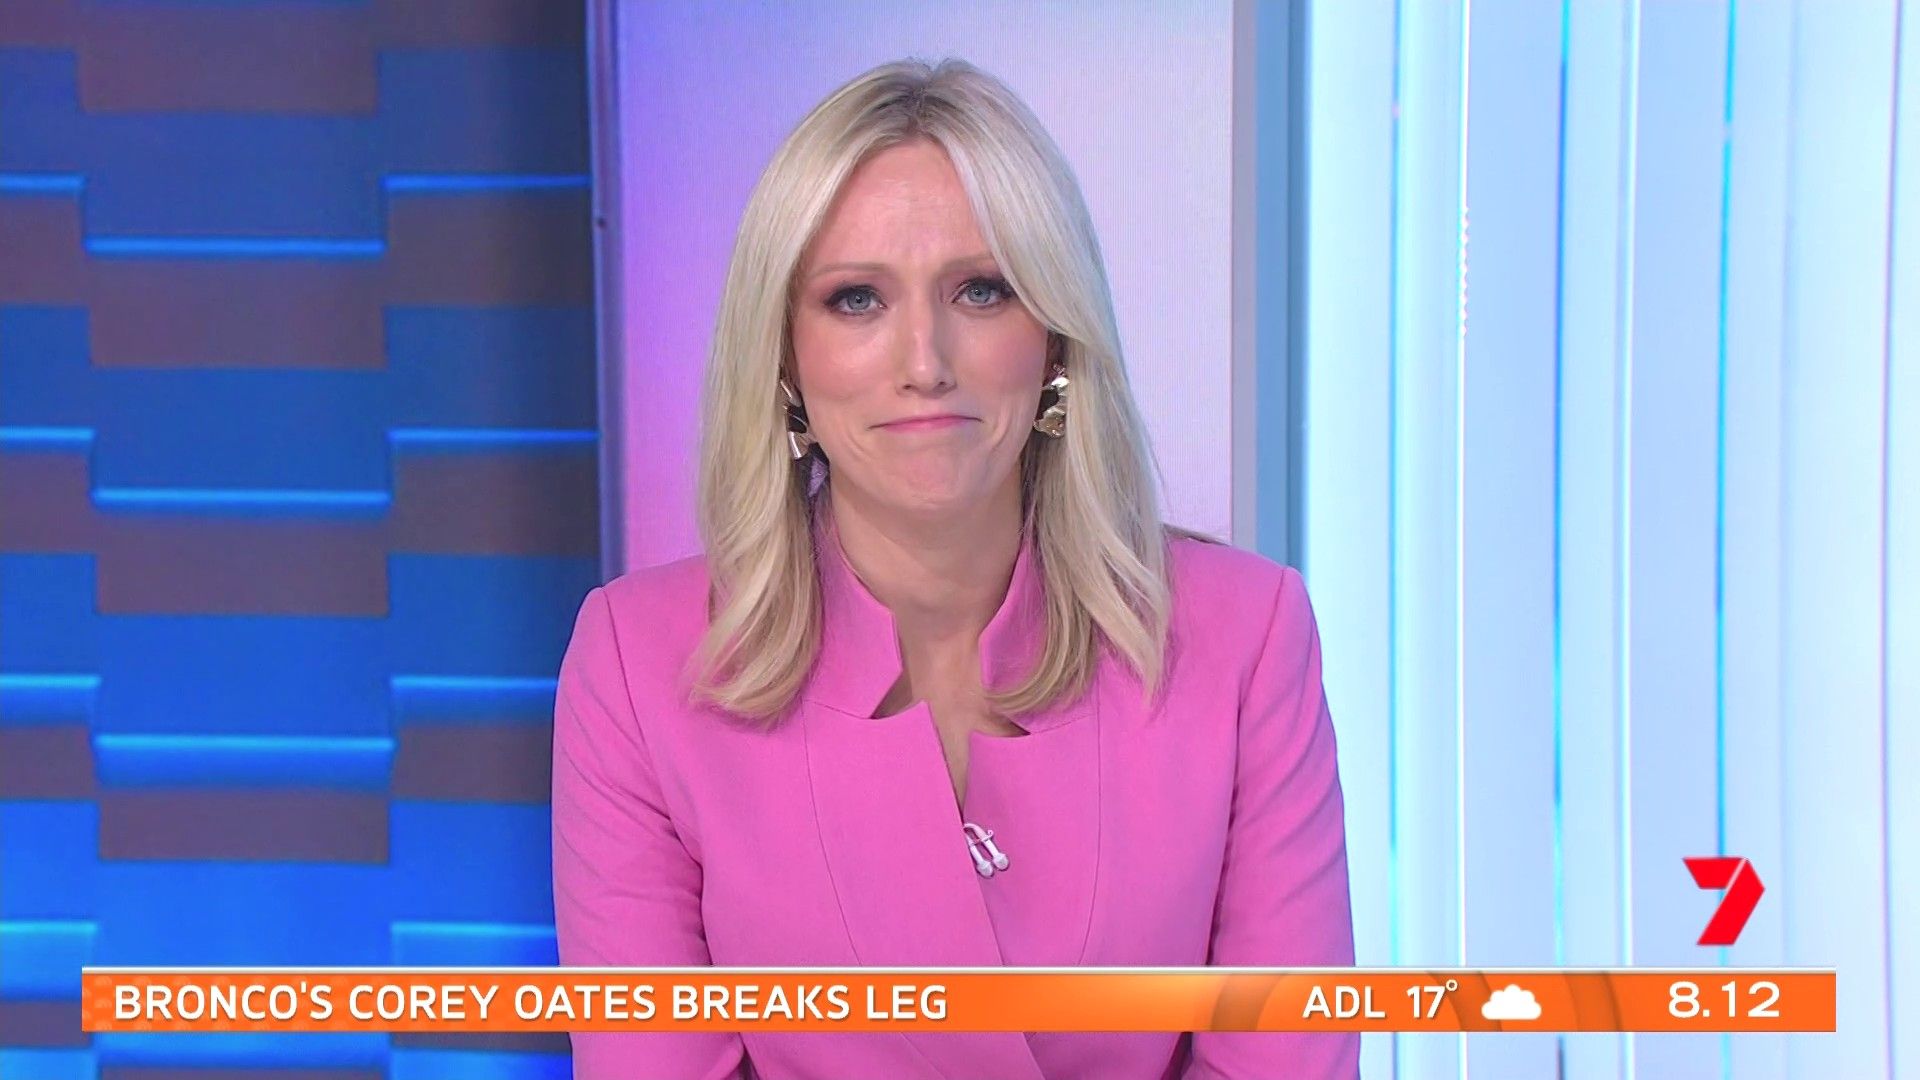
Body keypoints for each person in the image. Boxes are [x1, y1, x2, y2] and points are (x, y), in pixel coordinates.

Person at [551, 56, 1357, 1080]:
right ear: (785, 358)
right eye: (856, 300)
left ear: (1055, 337)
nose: (924, 361)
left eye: (982, 290)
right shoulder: (637, 664)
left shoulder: (1248, 634)